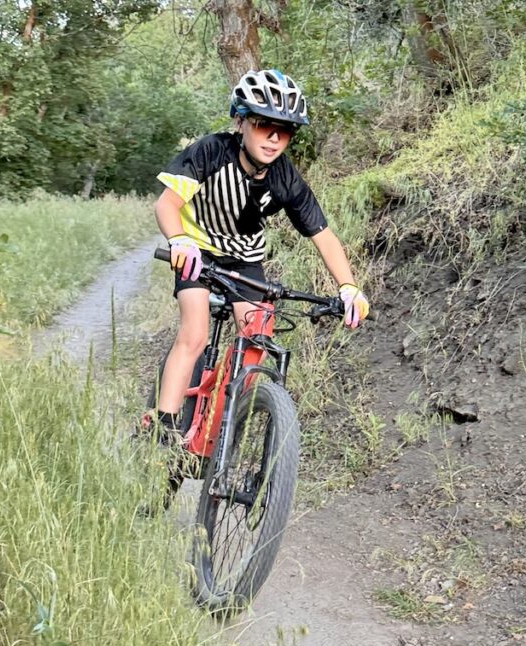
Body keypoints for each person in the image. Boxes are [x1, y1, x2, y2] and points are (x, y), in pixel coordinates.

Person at [149, 68, 369, 443]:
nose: (273, 137)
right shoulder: (210, 151)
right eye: (264, 123)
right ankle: (163, 432)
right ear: (241, 121)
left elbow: (324, 235)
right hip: (197, 251)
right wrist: (179, 241)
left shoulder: (285, 177)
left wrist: (349, 287)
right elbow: (166, 205)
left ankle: (221, 423)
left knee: (256, 338)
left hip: (245, 259)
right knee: (195, 333)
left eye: (284, 130)